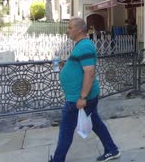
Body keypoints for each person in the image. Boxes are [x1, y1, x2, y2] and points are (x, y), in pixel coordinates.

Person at [49, 18, 120, 162]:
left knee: (66, 129)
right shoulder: (81, 45)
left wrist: (82, 97)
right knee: (96, 123)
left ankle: (58, 159)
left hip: (78, 98)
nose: (67, 30)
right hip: (82, 95)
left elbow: (89, 72)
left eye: (70, 27)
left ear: (79, 30)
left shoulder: (85, 46)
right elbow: (81, 66)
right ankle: (112, 149)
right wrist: (68, 64)